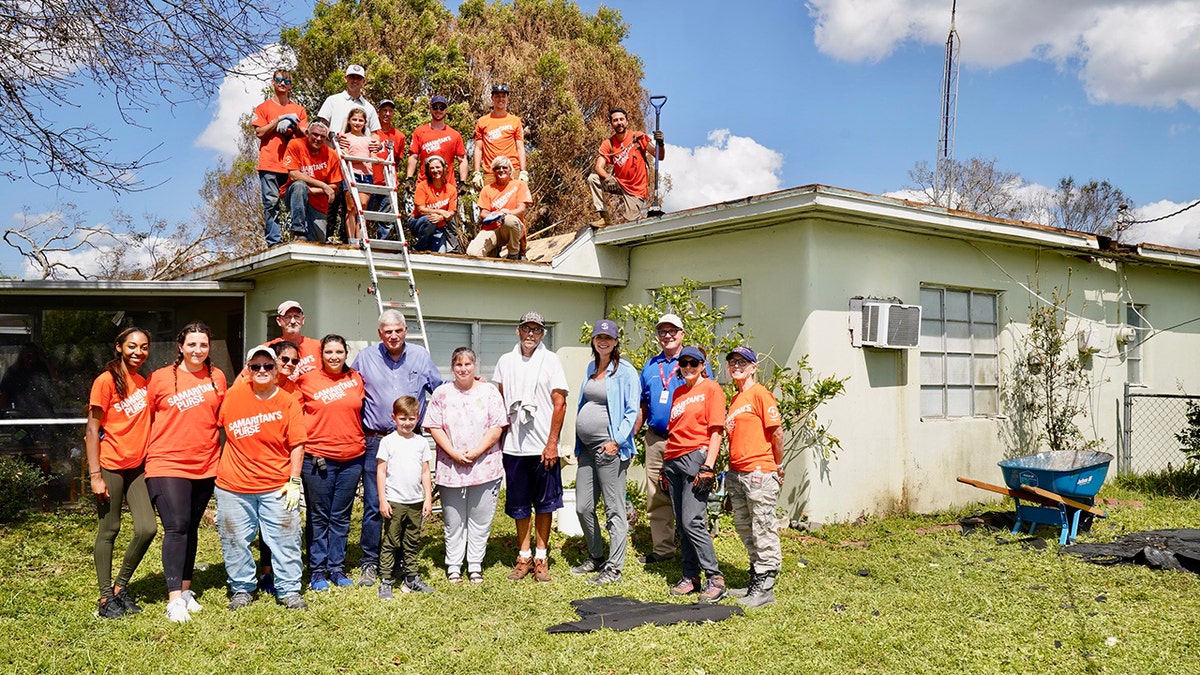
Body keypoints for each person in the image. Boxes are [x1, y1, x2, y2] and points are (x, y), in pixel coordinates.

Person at [350, 310, 442, 587]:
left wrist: (473, 385)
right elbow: (346, 390)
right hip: (376, 440)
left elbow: (439, 388)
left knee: (408, 502)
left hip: (412, 441)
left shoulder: (420, 356)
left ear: (406, 331)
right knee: (375, 504)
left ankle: (403, 561)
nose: (393, 335)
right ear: (380, 333)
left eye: (398, 330)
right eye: (387, 331)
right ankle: (370, 562)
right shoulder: (365, 358)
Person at [144, 322, 228, 623]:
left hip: (205, 464)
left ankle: (187, 589)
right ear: (180, 346)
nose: (198, 350)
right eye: (192, 344)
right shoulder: (160, 378)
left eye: (203, 345)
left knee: (191, 527)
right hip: (166, 462)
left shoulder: (216, 377)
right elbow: (146, 418)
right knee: (177, 525)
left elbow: (220, 419)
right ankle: (174, 599)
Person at [215, 346, 308, 611]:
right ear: (248, 370)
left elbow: (298, 444)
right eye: (255, 366)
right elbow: (218, 427)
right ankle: (242, 588)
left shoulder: (288, 401)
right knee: (234, 540)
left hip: (277, 486)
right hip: (233, 486)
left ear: (277, 370)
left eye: (268, 366)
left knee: (286, 540)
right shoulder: (233, 396)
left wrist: (294, 481)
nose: (262, 371)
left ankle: (289, 590)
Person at [85, 327, 156, 620]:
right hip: (111, 465)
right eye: (132, 346)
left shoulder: (143, 382)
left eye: (144, 347)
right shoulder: (105, 382)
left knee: (147, 528)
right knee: (109, 529)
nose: (138, 352)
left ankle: (119, 588)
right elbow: (92, 429)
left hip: (137, 467)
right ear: (119, 347)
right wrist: (95, 475)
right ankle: (105, 599)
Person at [493, 311, 568, 583]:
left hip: (542, 447)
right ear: (518, 330)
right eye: (527, 329)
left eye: (536, 330)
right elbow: (498, 399)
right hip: (514, 446)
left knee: (545, 505)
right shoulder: (505, 361)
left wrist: (552, 443)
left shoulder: (551, 361)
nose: (531, 335)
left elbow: (560, 403)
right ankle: (523, 555)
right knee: (519, 505)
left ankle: (541, 556)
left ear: (543, 334)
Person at [424, 347, 507, 584]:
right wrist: (452, 453)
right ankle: (453, 565)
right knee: (454, 520)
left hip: (485, 465)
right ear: (452, 367)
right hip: (451, 467)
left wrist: (478, 450)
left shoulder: (489, 392)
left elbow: (497, 426)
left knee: (480, 519)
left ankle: (475, 564)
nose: (463, 369)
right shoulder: (441, 394)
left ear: (475, 366)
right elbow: (434, 426)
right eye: (458, 365)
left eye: (468, 364)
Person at [634, 313, 710, 565]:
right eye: (662, 331)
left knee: (691, 495)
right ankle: (663, 549)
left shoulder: (692, 360)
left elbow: (706, 397)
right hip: (656, 439)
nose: (667, 335)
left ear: (682, 334)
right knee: (656, 496)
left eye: (672, 331)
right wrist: (632, 434)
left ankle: (696, 550)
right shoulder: (650, 365)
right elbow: (643, 404)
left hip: (686, 441)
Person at [570, 319, 640, 586]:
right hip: (587, 449)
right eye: (599, 337)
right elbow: (582, 404)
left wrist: (617, 441)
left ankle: (614, 568)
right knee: (583, 506)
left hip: (610, 448)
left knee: (614, 509)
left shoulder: (625, 371)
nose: (603, 341)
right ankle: (596, 555)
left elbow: (632, 411)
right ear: (593, 341)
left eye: (608, 338)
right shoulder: (591, 367)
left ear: (615, 342)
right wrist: (578, 445)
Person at [297, 334, 366, 591]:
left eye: (339, 352)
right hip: (318, 459)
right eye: (329, 352)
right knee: (319, 516)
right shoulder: (307, 380)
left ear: (345, 353)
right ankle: (317, 571)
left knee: (341, 516)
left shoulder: (355, 379)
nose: (334, 357)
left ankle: (336, 568)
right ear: (321, 355)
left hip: (352, 458)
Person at [664, 345, 727, 603]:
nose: (688, 367)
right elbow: (674, 430)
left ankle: (715, 577)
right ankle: (691, 577)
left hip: (695, 458)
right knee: (681, 524)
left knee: (693, 521)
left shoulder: (712, 389)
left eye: (694, 363)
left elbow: (716, 431)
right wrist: (663, 466)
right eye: (684, 363)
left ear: (703, 365)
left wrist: (708, 466)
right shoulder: (678, 392)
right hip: (673, 459)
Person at [723, 346, 784, 608]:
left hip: (759, 471)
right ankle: (755, 578)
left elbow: (777, 432)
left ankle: (765, 588)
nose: (736, 366)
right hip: (737, 473)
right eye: (732, 362)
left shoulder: (761, 394)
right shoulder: (736, 399)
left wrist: (777, 465)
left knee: (763, 527)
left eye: (742, 362)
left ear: (753, 367)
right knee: (745, 527)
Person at [248, 339, 300, 596]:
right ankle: (265, 572)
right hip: (257, 466)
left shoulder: (294, 390)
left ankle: (287, 574)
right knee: (263, 524)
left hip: (288, 461)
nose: (289, 364)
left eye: (294, 361)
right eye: (284, 360)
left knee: (284, 521)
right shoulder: (253, 385)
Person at [375, 395, 435, 598]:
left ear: (417, 418)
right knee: (391, 541)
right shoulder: (388, 442)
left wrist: (428, 498)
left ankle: (411, 578)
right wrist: (383, 499)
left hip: (416, 502)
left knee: (411, 541)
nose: (407, 423)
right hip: (394, 501)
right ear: (394, 418)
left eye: (411, 418)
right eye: (403, 418)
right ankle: (385, 580)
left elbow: (425, 471)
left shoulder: (421, 443)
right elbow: (381, 471)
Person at [252, 68, 308, 246]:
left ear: (291, 86)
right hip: (269, 164)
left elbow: (306, 136)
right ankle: (274, 242)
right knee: (271, 204)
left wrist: (293, 124)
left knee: (299, 195)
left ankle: (298, 233)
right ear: (273, 82)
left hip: (292, 165)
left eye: (287, 81)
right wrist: (277, 121)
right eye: (279, 80)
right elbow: (260, 132)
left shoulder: (298, 110)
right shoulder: (263, 108)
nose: (283, 84)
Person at [586, 107, 664, 226]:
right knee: (593, 179)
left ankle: (646, 220)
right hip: (618, 183)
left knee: (631, 223)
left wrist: (661, 143)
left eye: (621, 119)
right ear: (611, 124)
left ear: (627, 121)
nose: (619, 123)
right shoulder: (609, 143)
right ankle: (604, 218)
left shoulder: (638, 137)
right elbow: (598, 167)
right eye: (615, 120)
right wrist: (608, 178)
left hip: (636, 189)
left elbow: (660, 156)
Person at [282, 118, 343, 243]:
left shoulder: (332, 155)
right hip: (294, 194)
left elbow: (335, 186)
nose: (318, 139)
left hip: (318, 203)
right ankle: (297, 231)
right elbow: (294, 174)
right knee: (299, 185)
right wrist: (323, 186)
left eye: (322, 136)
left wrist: (310, 191)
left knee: (317, 243)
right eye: (315, 134)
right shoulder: (295, 144)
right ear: (307, 134)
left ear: (326, 139)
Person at [466, 156, 530, 260]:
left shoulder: (520, 184)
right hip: (492, 228)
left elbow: (521, 209)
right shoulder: (487, 189)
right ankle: (493, 252)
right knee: (472, 252)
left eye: (504, 167)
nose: (501, 170)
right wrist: (496, 214)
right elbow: (483, 214)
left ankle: (513, 254)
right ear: (493, 171)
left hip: (512, 228)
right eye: (497, 168)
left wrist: (506, 213)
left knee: (509, 220)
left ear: (510, 170)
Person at [406, 95, 467, 188]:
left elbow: (462, 160)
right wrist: (409, 178)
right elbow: (413, 157)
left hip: (447, 187)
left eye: (441, 108)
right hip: (424, 185)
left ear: (446, 110)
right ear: (430, 109)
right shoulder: (419, 131)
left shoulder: (455, 135)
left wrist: (463, 182)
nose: (438, 110)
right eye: (435, 107)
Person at [472, 84, 526, 188]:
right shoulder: (482, 121)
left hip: (512, 171)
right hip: (491, 172)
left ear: (507, 99)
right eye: (497, 96)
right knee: (491, 204)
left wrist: (523, 171)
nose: (500, 99)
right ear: (492, 98)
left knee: (514, 203)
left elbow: (520, 147)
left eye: (503, 96)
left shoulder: (515, 121)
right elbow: (478, 148)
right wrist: (477, 172)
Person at [369, 98, 406, 229]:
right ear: (378, 113)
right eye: (384, 110)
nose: (387, 114)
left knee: (386, 220)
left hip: (388, 182)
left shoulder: (399, 136)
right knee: (364, 214)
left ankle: (382, 245)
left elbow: (397, 160)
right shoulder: (369, 132)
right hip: (370, 180)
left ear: (394, 114)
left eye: (390, 111)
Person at [317, 64, 381, 140]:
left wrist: (377, 142)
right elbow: (321, 126)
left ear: (363, 81)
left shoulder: (369, 108)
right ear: (345, 78)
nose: (355, 80)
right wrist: (335, 139)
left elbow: (374, 134)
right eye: (352, 77)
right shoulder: (332, 101)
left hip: (361, 151)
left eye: (359, 78)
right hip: (334, 150)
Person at [409, 155, 458, 253]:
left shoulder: (451, 189)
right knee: (430, 219)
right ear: (428, 170)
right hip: (418, 221)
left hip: (439, 226)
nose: (435, 170)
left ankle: (428, 244)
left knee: (440, 253)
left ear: (444, 168)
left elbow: (451, 212)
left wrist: (442, 217)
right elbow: (421, 209)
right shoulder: (422, 186)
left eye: (438, 167)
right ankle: (419, 247)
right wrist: (440, 212)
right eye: (432, 168)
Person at [340, 107, 373, 241]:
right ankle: (351, 239)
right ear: (349, 121)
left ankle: (360, 238)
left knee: (363, 207)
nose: (357, 123)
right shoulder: (345, 137)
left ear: (365, 123)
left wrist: (377, 158)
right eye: (354, 120)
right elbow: (345, 154)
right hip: (351, 173)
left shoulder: (368, 139)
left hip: (367, 175)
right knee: (351, 207)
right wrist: (360, 160)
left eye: (360, 120)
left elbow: (373, 155)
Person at [268, 301, 322, 380]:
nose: (293, 321)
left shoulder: (318, 346)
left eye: (296, 316)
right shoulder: (268, 349)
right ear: (279, 321)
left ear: (303, 319)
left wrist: (314, 373)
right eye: (287, 317)